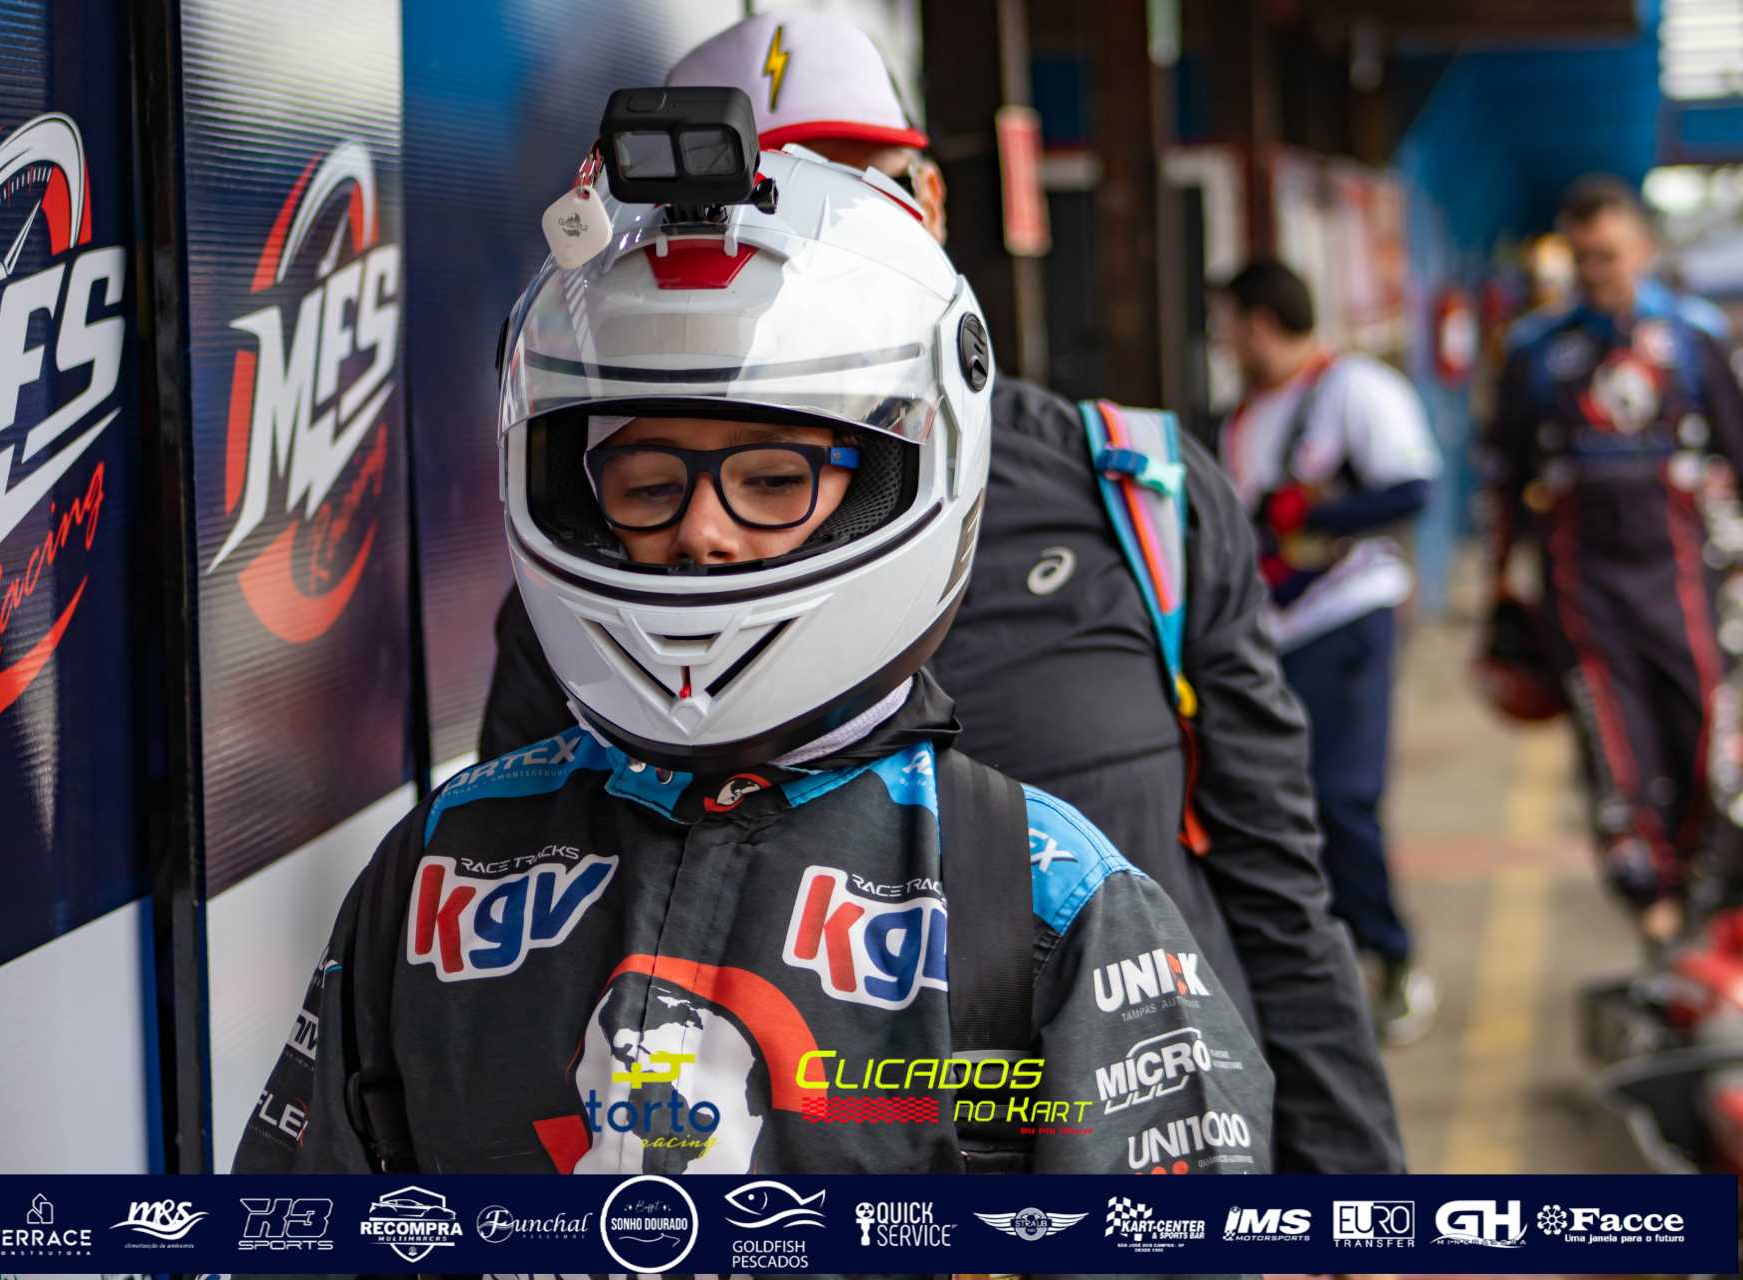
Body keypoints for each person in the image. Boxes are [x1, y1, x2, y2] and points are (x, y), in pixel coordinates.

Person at [235, 122, 1273, 1207]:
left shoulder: (1047, 896)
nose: (703, 533)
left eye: (775, 480)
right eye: (646, 485)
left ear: (896, 479)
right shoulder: (441, 866)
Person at [480, 11, 1403, 1173]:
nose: (807, 230)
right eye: (773, 190)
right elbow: (520, 911)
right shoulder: (610, 573)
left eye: (857, 185)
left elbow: (1275, 887)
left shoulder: (1136, 492)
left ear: (933, 200)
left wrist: (1353, 1202)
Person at [1490, 174, 1743, 943]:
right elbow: (1506, 474)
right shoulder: (1537, 349)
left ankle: (1704, 894)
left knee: (1704, 735)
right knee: (1616, 748)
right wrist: (1502, 586)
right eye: (1583, 257)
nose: (1597, 271)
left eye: (1609, 254)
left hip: (1682, 578)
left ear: (1644, 248)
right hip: (1583, 586)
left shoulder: (1694, 337)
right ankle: (1652, 906)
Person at [1215, 258, 1441, 1044]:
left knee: (1344, 797)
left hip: (1346, 617)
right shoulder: (1238, 419)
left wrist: (1315, 519)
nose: (1222, 341)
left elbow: (1412, 488)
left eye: (1227, 324)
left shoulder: (1353, 390)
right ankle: (1323, 964)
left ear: (1258, 322)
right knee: (1281, 804)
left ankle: (1392, 957)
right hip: (1267, 632)